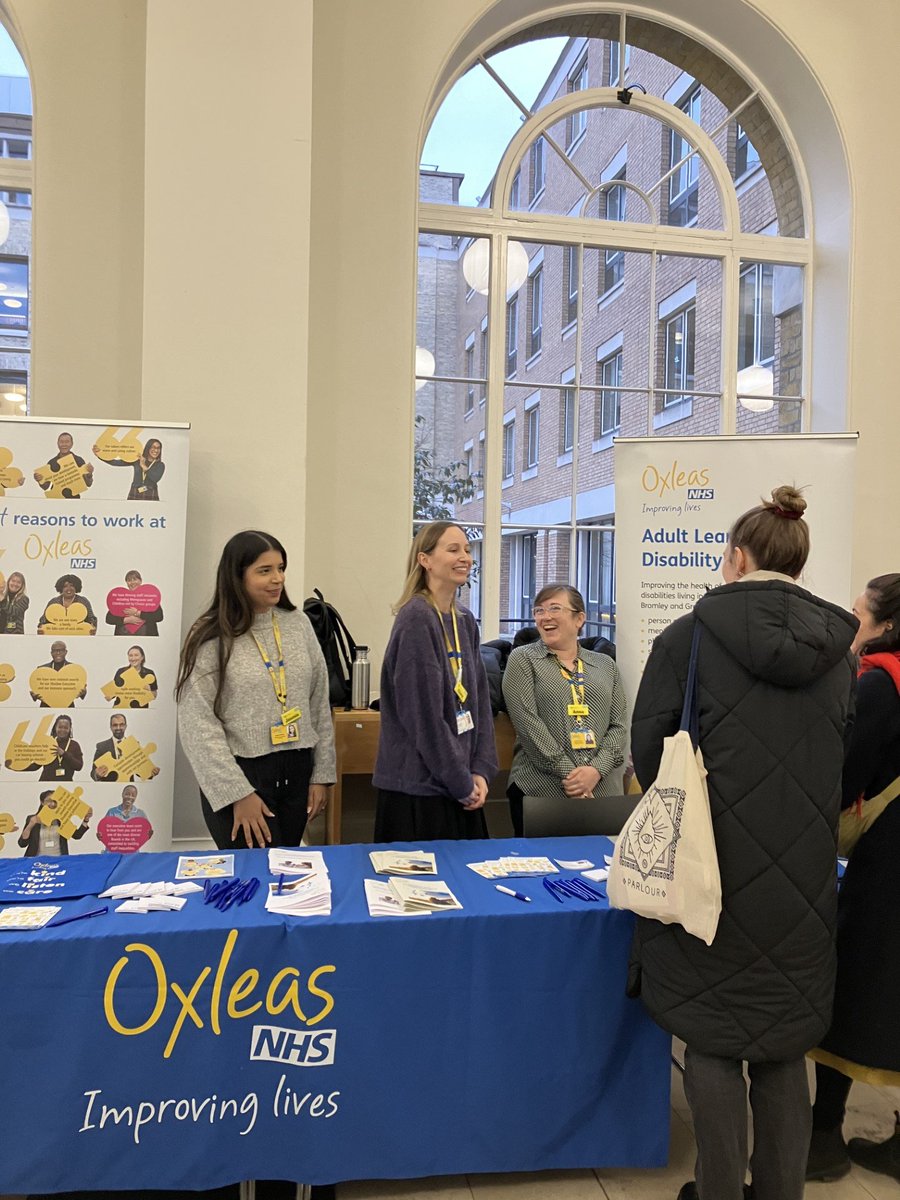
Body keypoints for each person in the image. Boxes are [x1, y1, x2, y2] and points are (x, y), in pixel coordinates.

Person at [628, 486, 856, 1200]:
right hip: (805, 880)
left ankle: (719, 1189)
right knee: (785, 1044)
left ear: (735, 556)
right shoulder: (840, 653)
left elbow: (647, 751)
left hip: (709, 870)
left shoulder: (688, 636)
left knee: (714, 1039)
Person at [806, 573, 900, 1183]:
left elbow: (844, 773)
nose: (850, 617)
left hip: (889, 860)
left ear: (886, 624)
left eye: (860, 611)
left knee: (856, 981)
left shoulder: (880, 683)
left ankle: (822, 1141)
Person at [176, 530, 336, 850]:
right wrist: (238, 793)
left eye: (280, 568)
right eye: (265, 571)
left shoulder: (298, 623)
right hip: (242, 777)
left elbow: (319, 701)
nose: (277, 579)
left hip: (297, 772)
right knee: (252, 882)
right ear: (237, 577)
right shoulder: (211, 635)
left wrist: (321, 774)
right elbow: (197, 723)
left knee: (287, 880)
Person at [373, 521, 497, 841]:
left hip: (462, 784)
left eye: (468, 550)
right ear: (425, 559)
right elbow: (423, 717)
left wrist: (481, 770)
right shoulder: (416, 617)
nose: (465, 557)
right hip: (420, 789)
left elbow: (480, 702)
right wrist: (462, 781)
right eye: (453, 549)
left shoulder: (465, 620)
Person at [502, 584, 627, 837]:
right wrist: (572, 776)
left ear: (579, 618)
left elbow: (619, 726)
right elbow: (528, 725)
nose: (544, 617)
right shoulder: (523, 659)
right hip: (541, 792)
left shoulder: (605, 665)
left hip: (601, 793)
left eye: (554, 609)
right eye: (539, 610)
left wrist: (594, 771)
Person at [18, 791, 92, 856]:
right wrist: (30, 825)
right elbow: (22, 844)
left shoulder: (62, 819)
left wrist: (85, 820)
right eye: (48, 801)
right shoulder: (32, 819)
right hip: (37, 859)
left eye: (55, 801)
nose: (52, 804)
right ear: (42, 802)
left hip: (59, 860)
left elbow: (77, 835)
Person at [95, 435, 165, 500]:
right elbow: (116, 463)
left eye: (158, 448)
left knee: (151, 513)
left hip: (151, 493)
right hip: (135, 492)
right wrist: (100, 455)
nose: (156, 450)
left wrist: (143, 466)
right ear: (148, 447)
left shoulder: (160, 465)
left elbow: (155, 478)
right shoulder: (137, 460)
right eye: (153, 447)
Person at [33, 430, 94, 498]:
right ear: (57, 443)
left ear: (72, 444)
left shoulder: (79, 460)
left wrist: (89, 474)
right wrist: (40, 480)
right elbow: (46, 487)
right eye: (61, 442)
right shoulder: (51, 463)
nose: (64, 444)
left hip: (74, 500)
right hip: (56, 500)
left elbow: (88, 484)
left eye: (67, 442)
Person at [105, 568, 164, 636]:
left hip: (147, 637)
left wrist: (138, 613)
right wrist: (126, 620)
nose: (132, 582)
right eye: (129, 580)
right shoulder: (121, 598)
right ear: (126, 583)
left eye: (135, 579)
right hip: (123, 637)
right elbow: (109, 618)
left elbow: (159, 616)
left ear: (140, 581)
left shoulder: (149, 597)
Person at [29, 639, 87, 706]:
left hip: (68, 707)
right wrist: (34, 696)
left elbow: (80, 689)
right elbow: (36, 691)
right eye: (55, 651)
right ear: (51, 653)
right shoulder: (41, 670)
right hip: (46, 707)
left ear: (66, 652)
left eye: (61, 650)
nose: (58, 653)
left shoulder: (74, 669)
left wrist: (83, 693)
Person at [30, 714, 84, 782]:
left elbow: (79, 767)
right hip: (45, 783)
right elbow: (35, 766)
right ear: (55, 728)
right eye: (60, 727)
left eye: (66, 728)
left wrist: (64, 754)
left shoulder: (74, 745)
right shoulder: (48, 743)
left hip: (66, 785)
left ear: (70, 729)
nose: (62, 730)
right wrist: (16, 767)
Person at [92, 712, 135, 781]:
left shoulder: (133, 745)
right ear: (111, 727)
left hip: (127, 785)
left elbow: (140, 770)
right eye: (115, 725)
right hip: (108, 787)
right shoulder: (102, 747)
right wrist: (97, 774)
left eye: (121, 725)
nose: (118, 728)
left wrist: (151, 772)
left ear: (125, 726)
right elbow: (93, 773)